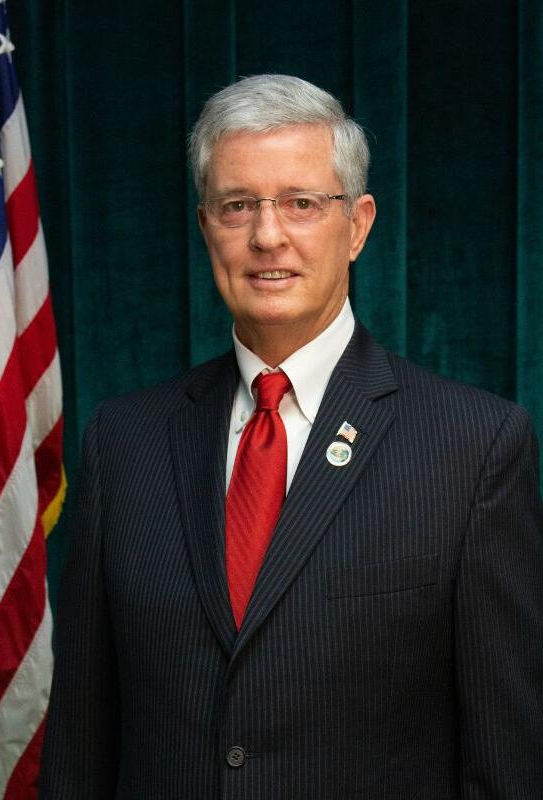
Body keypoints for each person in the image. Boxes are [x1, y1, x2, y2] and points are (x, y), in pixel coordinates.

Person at [39, 75, 543, 799]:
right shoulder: (124, 443)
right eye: (238, 205)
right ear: (206, 225)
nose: (267, 235)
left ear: (358, 225)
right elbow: (80, 747)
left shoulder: (475, 447)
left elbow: (507, 763)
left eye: (301, 203)